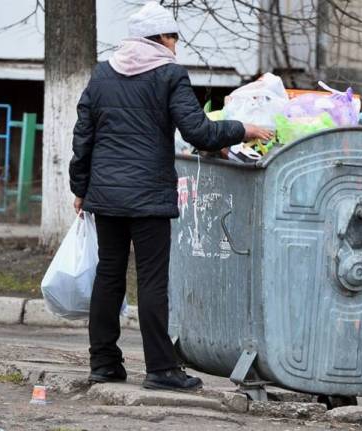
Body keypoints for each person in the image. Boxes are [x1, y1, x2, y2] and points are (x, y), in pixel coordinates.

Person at [68, 2, 273, 392]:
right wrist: (243, 128)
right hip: (148, 196)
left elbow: (84, 137)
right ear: (159, 38)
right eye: (173, 37)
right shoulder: (169, 75)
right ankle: (161, 369)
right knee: (151, 281)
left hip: (106, 195)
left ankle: (104, 364)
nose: (176, 45)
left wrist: (80, 188)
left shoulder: (102, 74)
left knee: (109, 276)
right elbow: (198, 132)